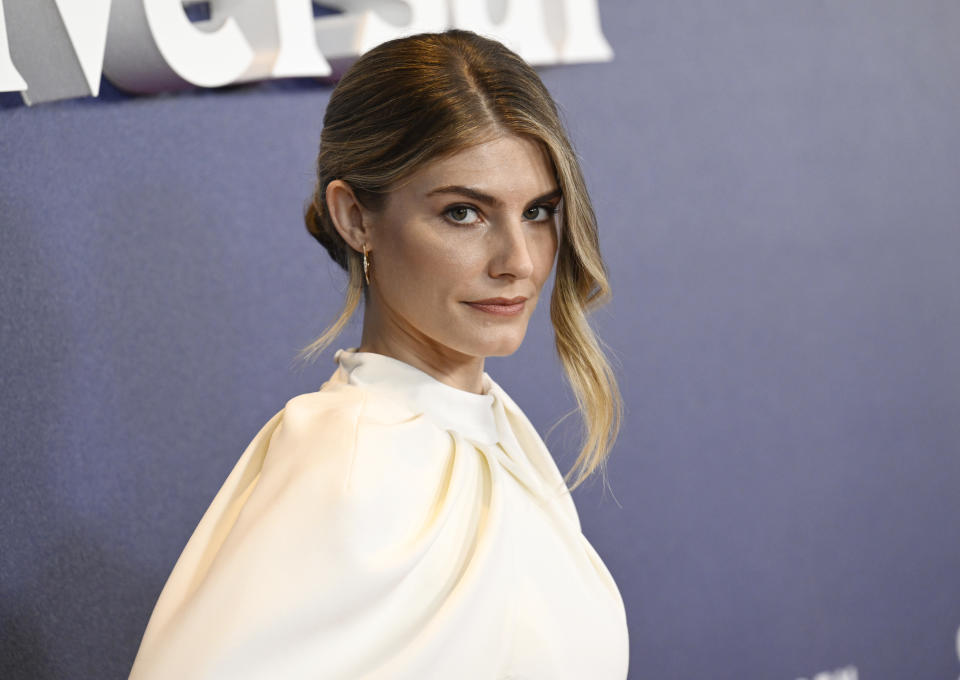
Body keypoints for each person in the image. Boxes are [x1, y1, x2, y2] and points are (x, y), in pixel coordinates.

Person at [128, 29, 628, 680]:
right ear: (355, 217)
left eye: (537, 211)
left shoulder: (491, 428)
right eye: (463, 214)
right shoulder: (351, 461)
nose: (521, 261)